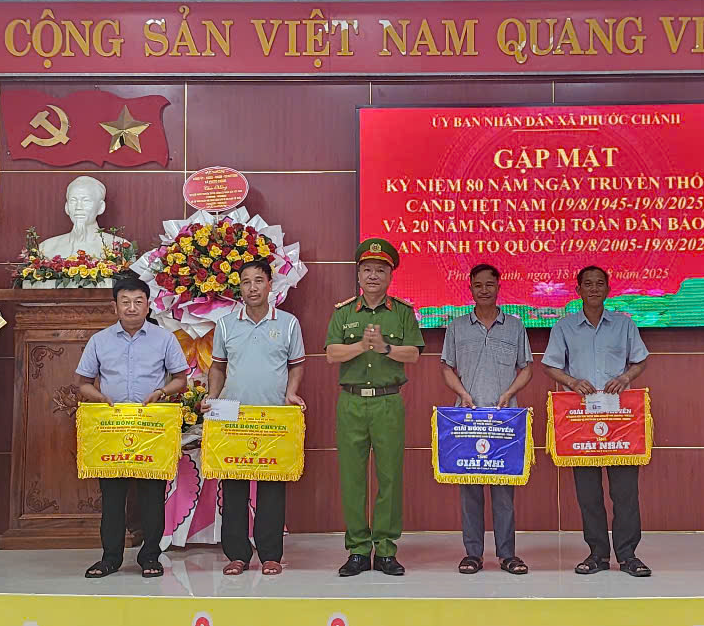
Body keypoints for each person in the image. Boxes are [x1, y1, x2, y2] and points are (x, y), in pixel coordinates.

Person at [542, 265, 652, 578]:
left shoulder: (624, 324)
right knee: (588, 493)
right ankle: (597, 554)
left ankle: (628, 555)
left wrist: (625, 377)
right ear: (578, 290)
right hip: (581, 420)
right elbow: (550, 365)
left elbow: (640, 359)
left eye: (599, 283)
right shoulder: (564, 326)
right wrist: (572, 382)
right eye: (587, 284)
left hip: (620, 419)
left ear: (607, 289)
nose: (593, 289)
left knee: (625, 492)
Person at [76, 278, 189, 579]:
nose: (131, 307)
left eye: (138, 301)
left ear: (148, 305)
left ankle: (150, 556)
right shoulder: (99, 340)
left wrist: (162, 392)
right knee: (113, 496)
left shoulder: (164, 339)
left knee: (152, 495)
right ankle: (110, 558)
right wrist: (99, 397)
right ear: (114, 306)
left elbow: (181, 379)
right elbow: (83, 383)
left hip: (150, 428)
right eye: (125, 302)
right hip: (112, 428)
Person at [325, 238, 424, 577]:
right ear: (358, 275)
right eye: (367, 269)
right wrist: (362, 346)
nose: (372, 276)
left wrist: (384, 348)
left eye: (380, 270)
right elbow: (332, 353)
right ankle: (357, 549)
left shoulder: (403, 312)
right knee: (352, 478)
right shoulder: (343, 312)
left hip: (387, 402)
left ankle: (385, 550)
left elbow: (413, 353)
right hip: (351, 402)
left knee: (390, 477)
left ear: (390, 276)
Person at [205, 259, 306, 576]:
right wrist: (212, 397)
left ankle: (270, 555)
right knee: (233, 488)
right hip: (232, 416)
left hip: (272, 416)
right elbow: (218, 367)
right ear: (240, 287)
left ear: (270, 285)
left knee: (272, 488)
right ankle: (237, 554)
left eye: (258, 281)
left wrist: (291, 393)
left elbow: (296, 365)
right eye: (246, 281)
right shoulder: (225, 325)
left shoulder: (288, 323)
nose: (252, 287)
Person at [440, 263, 533, 576]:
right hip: (467, 420)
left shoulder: (515, 326)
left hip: (504, 421)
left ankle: (508, 555)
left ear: (498, 287)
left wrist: (510, 393)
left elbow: (527, 368)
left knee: (504, 492)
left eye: (489, 285)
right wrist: (462, 394)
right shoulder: (456, 327)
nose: (484, 290)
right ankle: (473, 555)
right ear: (470, 288)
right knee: (470, 492)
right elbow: (446, 367)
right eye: (478, 285)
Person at [39, 175, 128, 259]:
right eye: (73, 201)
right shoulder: (46, 248)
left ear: (101, 207)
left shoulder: (121, 248)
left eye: (86, 201)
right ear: (67, 207)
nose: (78, 207)